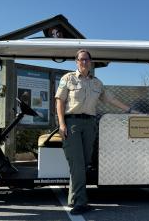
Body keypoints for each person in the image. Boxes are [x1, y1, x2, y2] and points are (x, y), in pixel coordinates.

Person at [55, 49, 137, 215]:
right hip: (72, 125)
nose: (84, 62)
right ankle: (81, 202)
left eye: (86, 60)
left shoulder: (97, 83)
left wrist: (130, 109)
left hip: (90, 125)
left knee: (82, 164)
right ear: (76, 62)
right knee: (77, 164)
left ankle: (73, 198)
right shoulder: (68, 78)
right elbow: (59, 101)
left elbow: (110, 99)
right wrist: (62, 124)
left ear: (90, 62)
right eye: (81, 59)